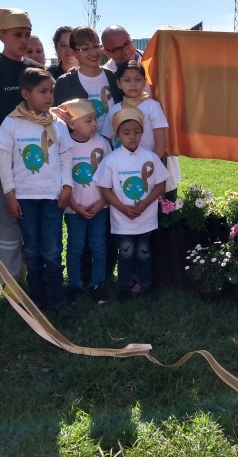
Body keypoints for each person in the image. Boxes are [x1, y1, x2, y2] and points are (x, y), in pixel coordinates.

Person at [0, 68, 74, 318]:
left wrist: (67, 186)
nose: (49, 96)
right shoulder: (11, 123)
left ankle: (57, 301)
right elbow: (4, 161)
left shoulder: (57, 123)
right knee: (31, 249)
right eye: (43, 92)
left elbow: (66, 155)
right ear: (26, 94)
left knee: (52, 249)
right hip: (25, 199)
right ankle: (37, 301)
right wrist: (9, 195)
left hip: (52, 197)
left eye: (51, 91)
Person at [0, 8, 42, 279]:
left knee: (31, 219)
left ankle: (36, 275)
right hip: (3, 159)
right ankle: (11, 281)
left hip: (34, 159)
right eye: (17, 35)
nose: (24, 40)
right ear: (0, 36)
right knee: (8, 221)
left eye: (27, 34)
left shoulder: (35, 70)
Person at [95, 108, 168, 302]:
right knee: (125, 253)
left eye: (137, 132)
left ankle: (146, 287)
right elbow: (105, 189)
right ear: (117, 135)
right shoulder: (111, 160)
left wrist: (144, 204)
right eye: (126, 133)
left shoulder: (150, 158)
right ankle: (124, 288)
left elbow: (159, 184)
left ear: (143, 133)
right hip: (122, 219)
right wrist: (122, 207)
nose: (132, 137)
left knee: (144, 252)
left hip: (145, 218)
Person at [60, 99, 111, 305]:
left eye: (95, 120)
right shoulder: (65, 145)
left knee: (99, 246)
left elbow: (109, 176)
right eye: (88, 120)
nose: (94, 125)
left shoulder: (102, 143)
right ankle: (74, 284)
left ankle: (98, 284)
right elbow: (62, 178)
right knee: (75, 247)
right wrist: (74, 206)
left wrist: (102, 203)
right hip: (74, 210)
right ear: (71, 123)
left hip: (101, 207)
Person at [53, 26, 123, 137]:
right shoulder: (65, 83)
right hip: (81, 150)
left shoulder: (114, 78)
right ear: (74, 52)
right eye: (85, 49)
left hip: (115, 149)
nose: (93, 52)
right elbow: (57, 121)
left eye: (96, 46)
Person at [102, 60, 168, 156]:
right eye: (127, 80)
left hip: (147, 165)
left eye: (138, 79)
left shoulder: (152, 107)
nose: (133, 84)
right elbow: (107, 140)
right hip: (121, 167)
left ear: (144, 82)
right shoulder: (114, 110)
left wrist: (151, 166)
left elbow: (161, 143)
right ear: (119, 83)